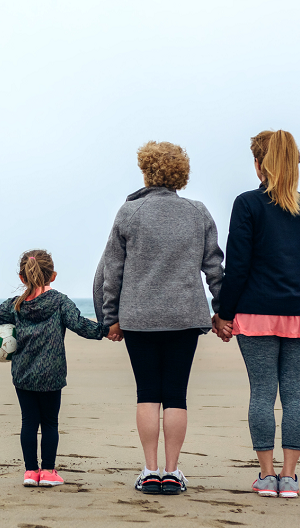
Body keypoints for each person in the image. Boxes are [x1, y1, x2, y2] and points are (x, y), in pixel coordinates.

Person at [94, 141, 224, 495]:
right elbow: (214, 266)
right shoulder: (198, 212)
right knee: (176, 395)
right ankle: (172, 471)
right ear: (181, 174)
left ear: (146, 171)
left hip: (139, 318)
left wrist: (110, 318)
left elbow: (112, 271)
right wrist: (222, 311)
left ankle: (150, 470)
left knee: (147, 393)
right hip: (185, 315)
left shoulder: (130, 212)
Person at [212, 129, 300, 499]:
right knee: (296, 394)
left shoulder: (247, 204)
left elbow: (239, 264)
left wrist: (223, 313)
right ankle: (290, 478)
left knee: (262, 393)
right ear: (295, 163)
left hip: (257, 312)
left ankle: (267, 477)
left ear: (259, 164)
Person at [0, 249, 112, 488]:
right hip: (52, 374)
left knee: (28, 422)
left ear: (21, 277)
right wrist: (107, 330)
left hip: (23, 374)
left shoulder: (15, 305)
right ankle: (47, 472)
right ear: (53, 276)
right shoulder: (60, 301)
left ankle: (29, 472)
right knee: (49, 423)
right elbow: (80, 325)